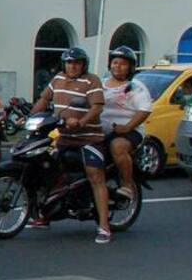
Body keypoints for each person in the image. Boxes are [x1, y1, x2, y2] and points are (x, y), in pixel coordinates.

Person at [30, 46, 112, 244]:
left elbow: (97, 107)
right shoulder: (58, 79)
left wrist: (81, 122)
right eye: (68, 63)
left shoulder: (91, 80)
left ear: (83, 65)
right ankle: (45, 214)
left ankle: (104, 226)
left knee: (95, 176)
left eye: (76, 63)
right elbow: (43, 100)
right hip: (63, 136)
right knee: (44, 167)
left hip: (88, 138)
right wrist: (30, 117)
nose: (72, 66)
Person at [100, 45, 151, 205]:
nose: (118, 66)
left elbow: (144, 110)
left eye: (122, 64)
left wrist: (128, 127)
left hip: (128, 131)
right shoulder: (100, 84)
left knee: (118, 146)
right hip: (101, 129)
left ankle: (127, 184)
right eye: (115, 62)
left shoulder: (135, 87)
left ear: (130, 67)